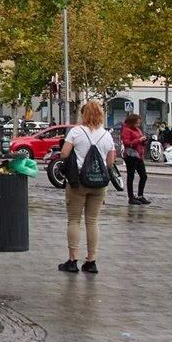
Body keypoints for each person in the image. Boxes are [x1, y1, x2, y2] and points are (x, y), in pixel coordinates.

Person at [58, 99, 116, 274]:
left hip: (78, 182)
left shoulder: (76, 132)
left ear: (84, 114)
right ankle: (91, 261)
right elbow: (110, 162)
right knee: (92, 221)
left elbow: (64, 153)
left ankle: (72, 260)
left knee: (74, 220)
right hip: (99, 184)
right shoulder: (107, 135)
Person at [121, 112, 150, 205]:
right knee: (131, 176)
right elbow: (126, 143)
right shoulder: (126, 130)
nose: (138, 125)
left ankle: (140, 195)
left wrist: (144, 141)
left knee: (143, 176)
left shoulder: (137, 130)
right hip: (131, 155)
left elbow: (140, 141)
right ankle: (131, 197)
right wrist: (139, 140)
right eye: (137, 123)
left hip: (139, 155)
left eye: (139, 123)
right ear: (131, 122)